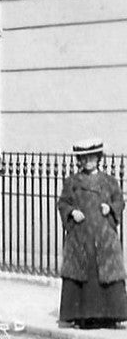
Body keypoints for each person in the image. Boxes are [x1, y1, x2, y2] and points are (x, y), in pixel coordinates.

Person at [57, 138, 127, 329]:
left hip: (105, 237)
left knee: (106, 272)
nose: (89, 161)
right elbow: (63, 203)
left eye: (92, 158)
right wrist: (72, 212)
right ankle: (84, 318)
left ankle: (110, 316)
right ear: (80, 160)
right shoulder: (72, 182)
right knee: (83, 273)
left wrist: (110, 208)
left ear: (98, 158)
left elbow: (120, 202)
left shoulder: (109, 182)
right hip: (81, 237)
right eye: (85, 158)